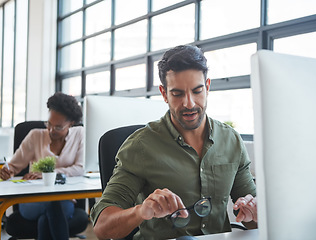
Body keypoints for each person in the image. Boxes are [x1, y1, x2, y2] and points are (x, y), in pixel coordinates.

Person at [90, 45, 257, 240]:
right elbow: (102, 227)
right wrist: (140, 211)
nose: (189, 103)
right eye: (177, 94)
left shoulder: (232, 141)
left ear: (208, 87)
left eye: (197, 91)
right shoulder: (140, 146)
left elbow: (252, 219)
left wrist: (253, 212)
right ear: (164, 93)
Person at [0, 92, 84, 240]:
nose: (51, 130)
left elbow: (80, 168)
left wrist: (49, 174)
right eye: (49, 124)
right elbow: (13, 166)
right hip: (32, 201)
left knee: (47, 218)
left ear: (71, 123)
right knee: (52, 206)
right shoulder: (35, 136)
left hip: (64, 199)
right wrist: (7, 172)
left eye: (58, 127)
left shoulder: (79, 134)